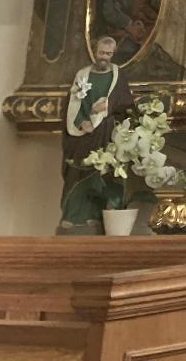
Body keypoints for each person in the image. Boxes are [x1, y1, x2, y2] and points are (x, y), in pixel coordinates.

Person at [59, 34, 135, 231]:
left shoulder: (118, 75)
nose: (104, 57)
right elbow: (73, 103)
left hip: (106, 131)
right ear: (94, 51)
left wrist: (108, 105)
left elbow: (126, 101)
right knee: (78, 171)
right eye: (101, 53)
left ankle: (95, 217)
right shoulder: (82, 75)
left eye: (109, 54)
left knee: (102, 174)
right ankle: (72, 216)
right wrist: (81, 120)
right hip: (84, 133)